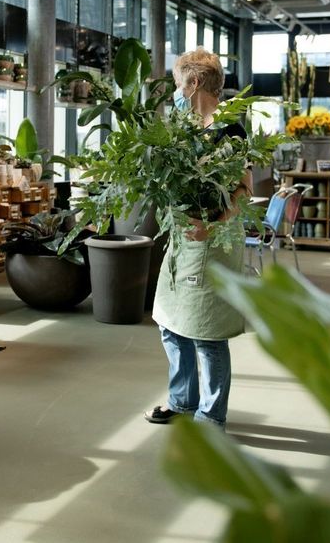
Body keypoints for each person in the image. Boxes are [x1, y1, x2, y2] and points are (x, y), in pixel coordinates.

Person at [144, 49, 249, 431]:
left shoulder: (230, 130)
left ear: (194, 82)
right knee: (170, 321)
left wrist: (213, 225)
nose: (176, 91)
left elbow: (244, 190)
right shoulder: (185, 128)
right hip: (183, 238)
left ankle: (211, 415)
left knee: (207, 330)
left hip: (214, 240)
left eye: (178, 83)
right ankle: (182, 401)